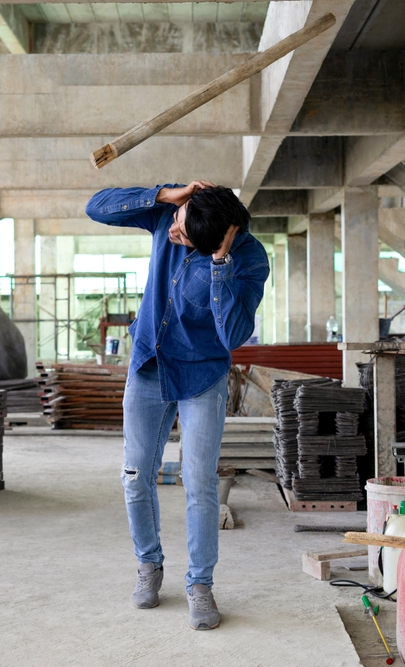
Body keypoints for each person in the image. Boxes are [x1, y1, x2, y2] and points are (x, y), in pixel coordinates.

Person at [85, 181, 270, 630]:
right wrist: (167, 196)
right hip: (149, 362)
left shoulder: (249, 260)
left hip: (201, 377)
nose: (172, 232)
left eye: (183, 234)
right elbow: (97, 207)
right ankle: (149, 565)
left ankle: (200, 583)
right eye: (176, 222)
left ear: (212, 245)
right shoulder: (177, 212)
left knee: (200, 482)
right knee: (134, 476)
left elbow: (233, 337)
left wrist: (220, 265)